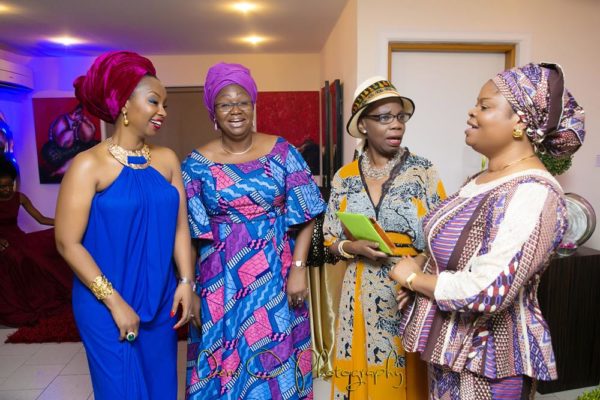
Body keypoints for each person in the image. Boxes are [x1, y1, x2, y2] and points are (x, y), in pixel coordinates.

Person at [389, 63, 585, 399]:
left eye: (485, 105)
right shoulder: (478, 182)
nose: (471, 111)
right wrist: (423, 272)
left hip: (491, 361)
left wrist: (414, 280)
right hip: (451, 350)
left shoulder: (534, 193)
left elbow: (490, 289)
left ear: (520, 122)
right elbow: (452, 253)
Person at [182, 62, 326, 399]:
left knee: (274, 360)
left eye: (242, 101)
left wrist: (298, 269)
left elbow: (306, 215)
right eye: (225, 103)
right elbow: (189, 234)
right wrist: (189, 286)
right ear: (212, 112)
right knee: (224, 361)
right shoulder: (194, 165)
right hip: (221, 282)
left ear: (253, 105)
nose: (235, 110)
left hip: (276, 274)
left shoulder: (283, 153)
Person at [55, 51, 194, 399]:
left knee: (161, 388)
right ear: (123, 105)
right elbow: (67, 243)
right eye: (153, 101)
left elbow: (180, 227)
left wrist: (186, 282)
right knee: (122, 391)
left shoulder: (167, 160)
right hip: (104, 303)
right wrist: (115, 303)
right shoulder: (87, 166)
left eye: (164, 103)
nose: (162, 111)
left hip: (159, 300)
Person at [322, 76, 446, 399]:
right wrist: (350, 246)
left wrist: (416, 270)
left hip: (406, 291)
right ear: (363, 125)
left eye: (400, 117)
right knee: (362, 373)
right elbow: (328, 238)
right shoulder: (344, 177)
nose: (396, 126)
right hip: (359, 291)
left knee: (402, 377)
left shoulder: (423, 172)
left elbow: (440, 237)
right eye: (384, 118)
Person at [0, 154, 72, 326]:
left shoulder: (20, 197)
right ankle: (23, 301)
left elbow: (40, 218)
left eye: (10, 185)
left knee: (41, 253)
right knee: (14, 258)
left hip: (19, 238)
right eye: (2, 187)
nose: (7, 189)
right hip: (3, 242)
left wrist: (64, 222)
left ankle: (41, 296)